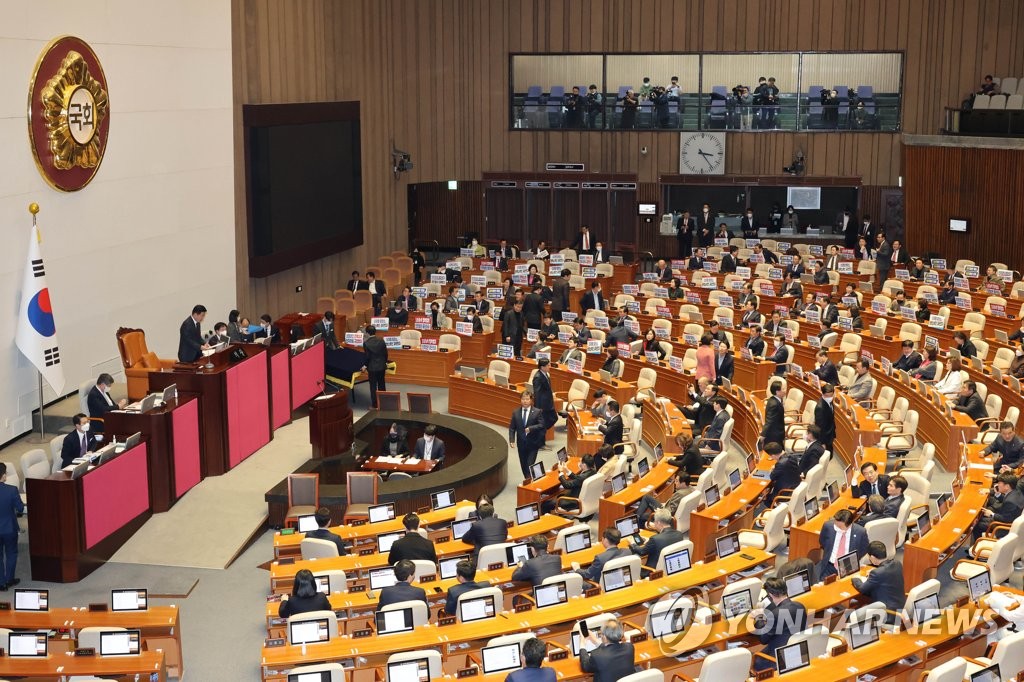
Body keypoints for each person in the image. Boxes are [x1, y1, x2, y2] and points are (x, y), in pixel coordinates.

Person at [752, 576, 807, 672]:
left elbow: (763, 639)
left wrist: (758, 617)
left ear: (770, 596)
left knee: (756, 659)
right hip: (798, 652)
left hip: (778, 658)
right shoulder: (800, 606)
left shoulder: (775, 615)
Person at [851, 541, 905, 620]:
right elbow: (886, 575)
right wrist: (875, 572)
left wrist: (855, 578)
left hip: (888, 614)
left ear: (872, 557)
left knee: (858, 613)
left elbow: (862, 588)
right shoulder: (897, 564)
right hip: (901, 609)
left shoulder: (877, 573)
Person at [817, 509, 869, 579]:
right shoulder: (828, 526)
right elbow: (822, 541)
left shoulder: (860, 532)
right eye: (836, 524)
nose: (836, 528)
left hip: (848, 567)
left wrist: (853, 559)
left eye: (840, 527)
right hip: (829, 567)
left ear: (849, 525)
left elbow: (864, 548)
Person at [973, 473, 1024, 540]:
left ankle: (977, 545)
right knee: (980, 518)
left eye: (1000, 483)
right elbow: (1007, 502)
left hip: (1003, 527)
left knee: (977, 526)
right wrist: (998, 494)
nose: (997, 485)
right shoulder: (1016, 492)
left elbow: (1006, 519)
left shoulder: (1010, 501)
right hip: (1006, 517)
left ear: (1007, 486)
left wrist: (991, 514)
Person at [509, 392, 545, 479]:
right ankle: (528, 480)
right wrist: (512, 440)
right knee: (523, 464)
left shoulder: (537, 411)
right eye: (523, 399)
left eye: (527, 399)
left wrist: (531, 428)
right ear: (520, 400)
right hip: (521, 443)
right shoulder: (516, 412)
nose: (525, 401)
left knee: (529, 464)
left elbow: (542, 425)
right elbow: (512, 428)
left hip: (533, 443)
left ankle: (529, 482)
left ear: (531, 400)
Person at [0, 462, 23, 591]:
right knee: (11, 553)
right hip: (9, 529)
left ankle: (1, 583)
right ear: (3, 476)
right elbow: (20, 508)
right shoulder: (12, 490)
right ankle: (9, 579)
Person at [362, 326, 389, 409]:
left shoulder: (366, 343)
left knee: (373, 387)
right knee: (382, 384)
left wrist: (364, 366)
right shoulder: (381, 340)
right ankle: (384, 403)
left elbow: (367, 357)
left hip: (372, 368)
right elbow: (385, 353)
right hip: (381, 366)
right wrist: (385, 362)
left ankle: (375, 405)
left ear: (367, 333)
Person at [761, 382, 786, 447]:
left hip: (776, 433)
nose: (785, 391)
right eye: (783, 389)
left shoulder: (772, 399)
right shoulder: (774, 405)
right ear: (777, 392)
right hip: (774, 436)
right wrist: (763, 435)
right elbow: (770, 421)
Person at [814, 383, 837, 454]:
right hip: (825, 438)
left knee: (829, 455)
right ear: (822, 394)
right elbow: (819, 427)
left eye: (831, 395)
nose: (829, 398)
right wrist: (822, 443)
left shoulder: (829, 401)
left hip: (829, 435)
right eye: (827, 396)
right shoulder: (820, 408)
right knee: (827, 456)